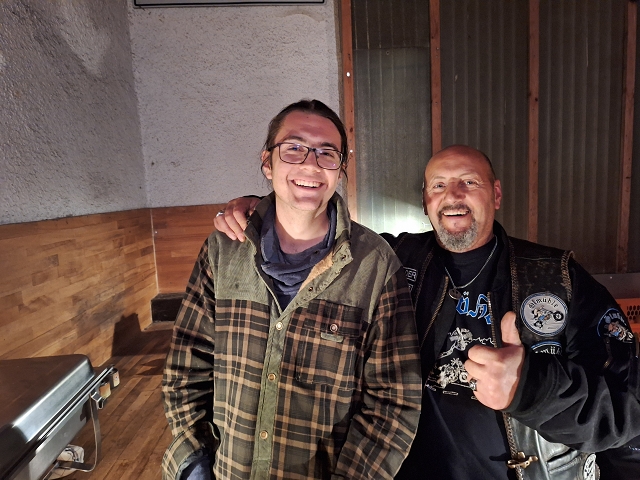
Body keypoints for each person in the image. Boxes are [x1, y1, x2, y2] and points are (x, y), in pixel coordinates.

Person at [214, 144, 640, 479]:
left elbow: (629, 409)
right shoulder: (392, 260)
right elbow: (317, 237)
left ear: (495, 194)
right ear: (424, 201)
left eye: (469, 182)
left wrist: (532, 388)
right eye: (438, 185)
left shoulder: (557, 277)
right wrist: (261, 208)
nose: (452, 195)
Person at [161, 99, 422, 480]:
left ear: (340, 170)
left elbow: (394, 401)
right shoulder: (223, 252)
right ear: (267, 162)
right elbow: (187, 364)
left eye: (327, 153)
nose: (311, 164)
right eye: (294, 148)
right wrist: (194, 462)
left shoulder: (375, 266)